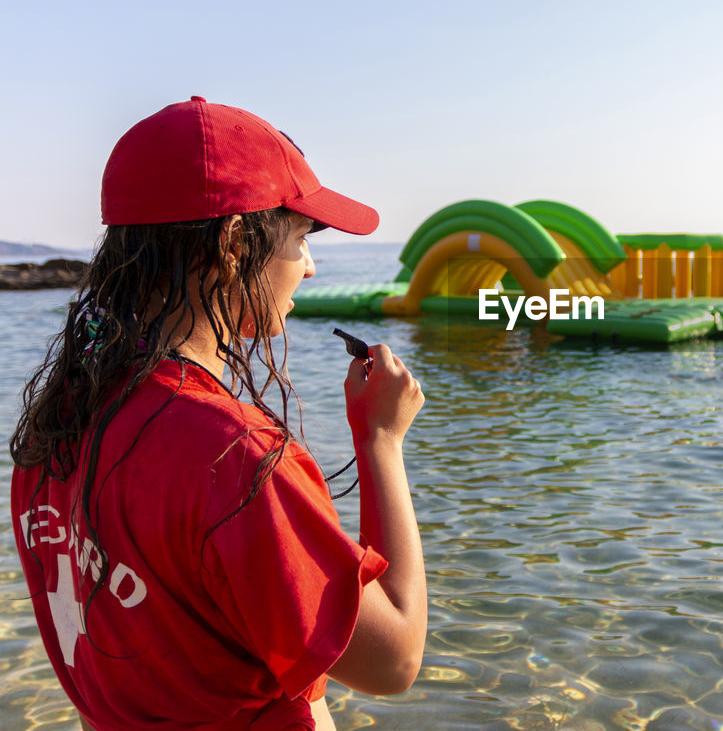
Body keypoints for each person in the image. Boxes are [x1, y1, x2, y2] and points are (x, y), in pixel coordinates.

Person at [9, 97, 428, 729]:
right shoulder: (235, 456)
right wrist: (380, 442)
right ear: (234, 243)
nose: (311, 268)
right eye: (302, 238)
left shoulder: (57, 418)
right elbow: (393, 660)